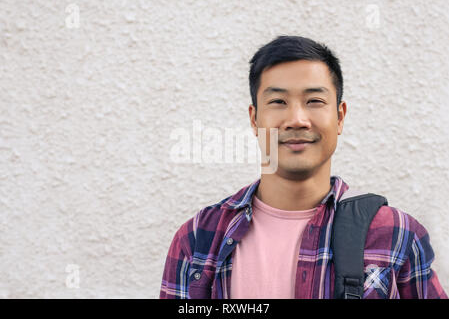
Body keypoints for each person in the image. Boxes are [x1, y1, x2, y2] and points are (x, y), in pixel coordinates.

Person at [160, 35, 447, 299]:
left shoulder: (397, 234)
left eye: (314, 101)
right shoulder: (198, 238)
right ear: (254, 119)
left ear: (340, 117)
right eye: (278, 101)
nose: (297, 119)